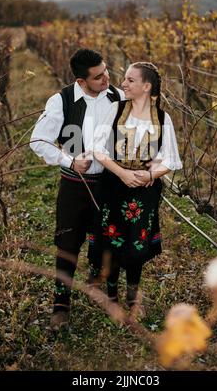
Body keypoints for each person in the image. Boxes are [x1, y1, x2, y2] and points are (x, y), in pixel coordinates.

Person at [30, 48, 125, 329]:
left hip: (109, 185)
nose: (106, 79)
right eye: (98, 77)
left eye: (106, 71)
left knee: (108, 239)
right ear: (81, 82)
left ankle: (104, 288)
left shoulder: (116, 97)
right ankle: (61, 305)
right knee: (67, 243)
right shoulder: (61, 101)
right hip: (74, 185)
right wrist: (69, 161)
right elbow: (38, 141)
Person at [87, 62, 183, 316]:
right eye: (125, 80)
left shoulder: (162, 119)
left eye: (130, 80)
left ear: (146, 86)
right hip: (113, 186)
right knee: (111, 239)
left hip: (144, 191)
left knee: (136, 241)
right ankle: (111, 295)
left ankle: (132, 296)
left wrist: (151, 173)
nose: (124, 84)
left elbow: (171, 159)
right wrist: (123, 173)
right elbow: (98, 149)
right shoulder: (115, 111)